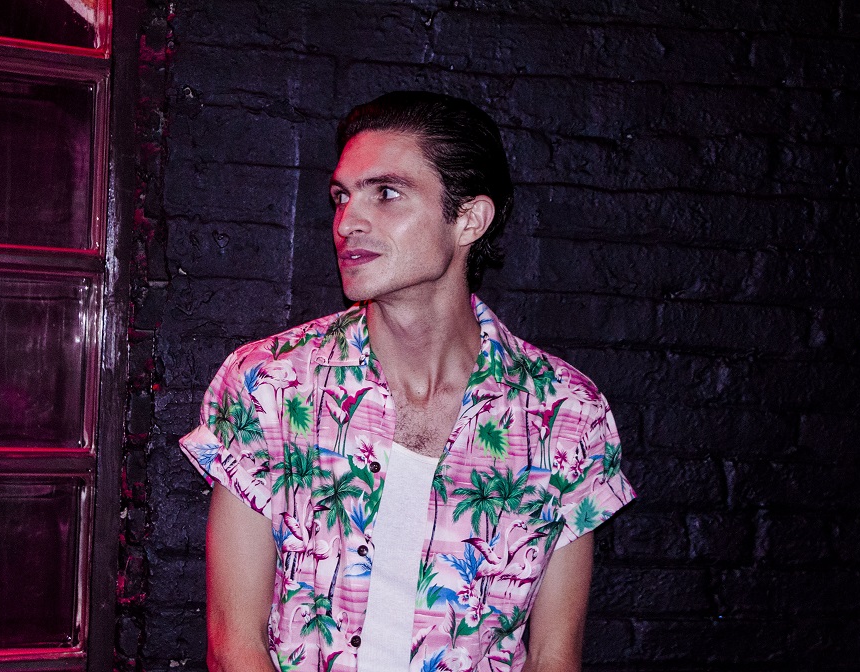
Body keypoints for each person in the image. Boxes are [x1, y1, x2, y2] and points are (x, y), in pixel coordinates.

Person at [180, 91, 635, 672]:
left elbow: (554, 656)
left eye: (387, 193)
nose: (348, 222)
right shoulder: (269, 385)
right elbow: (233, 644)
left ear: (469, 220)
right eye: (341, 196)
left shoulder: (567, 413)